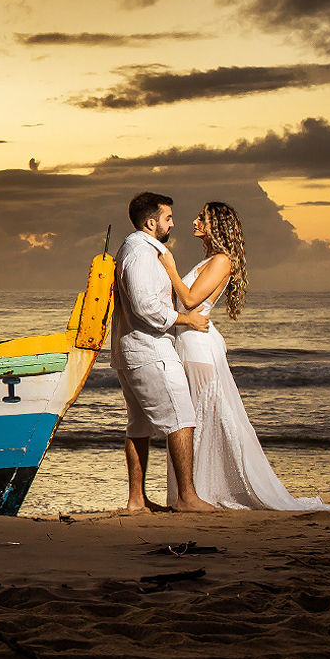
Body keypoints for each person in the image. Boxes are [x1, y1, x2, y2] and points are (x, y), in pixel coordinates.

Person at [156, 201, 330, 511]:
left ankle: (200, 492)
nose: (196, 220)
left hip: (199, 348)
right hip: (188, 343)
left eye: (203, 217)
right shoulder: (211, 260)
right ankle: (194, 492)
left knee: (199, 416)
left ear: (218, 225)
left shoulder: (222, 261)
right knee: (193, 417)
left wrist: (169, 268)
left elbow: (189, 299)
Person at [112, 192, 217, 513]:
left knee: (139, 425)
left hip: (132, 350)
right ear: (151, 222)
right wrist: (186, 318)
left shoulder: (133, 249)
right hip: (150, 349)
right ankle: (187, 498)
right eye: (168, 218)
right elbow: (146, 306)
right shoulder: (143, 254)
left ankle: (136, 501)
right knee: (182, 418)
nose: (173, 223)